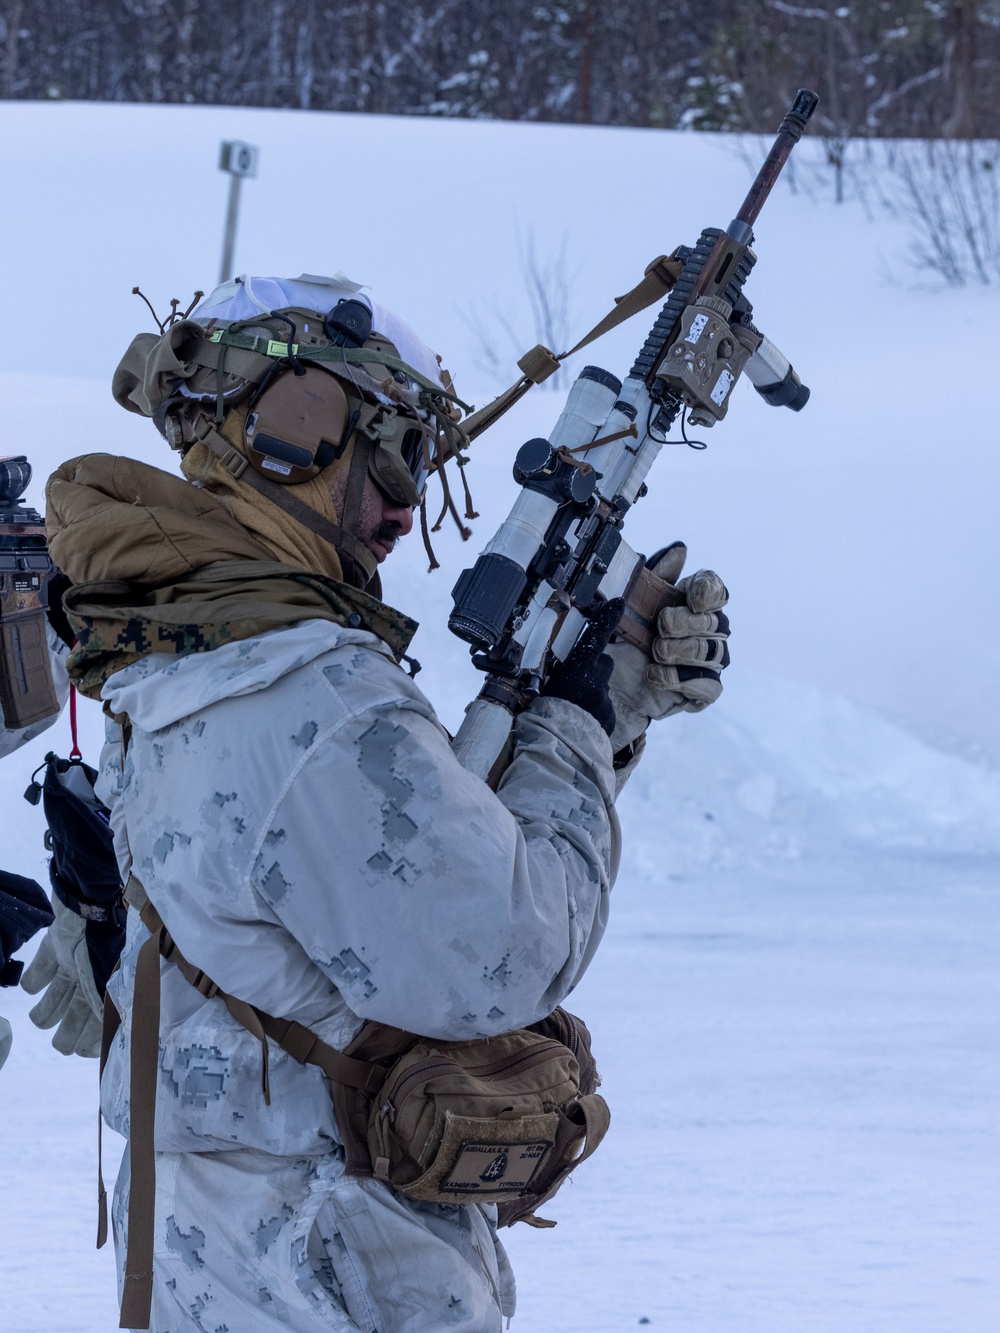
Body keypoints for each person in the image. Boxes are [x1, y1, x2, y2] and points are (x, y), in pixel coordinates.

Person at [27, 273, 730, 1331]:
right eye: (389, 449)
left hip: (218, 1254)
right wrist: (583, 718)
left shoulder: (174, 644)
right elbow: (499, 950)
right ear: (293, 428)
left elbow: (393, 868)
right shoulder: (309, 693)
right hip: (320, 1265)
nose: (407, 500)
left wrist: (594, 712)